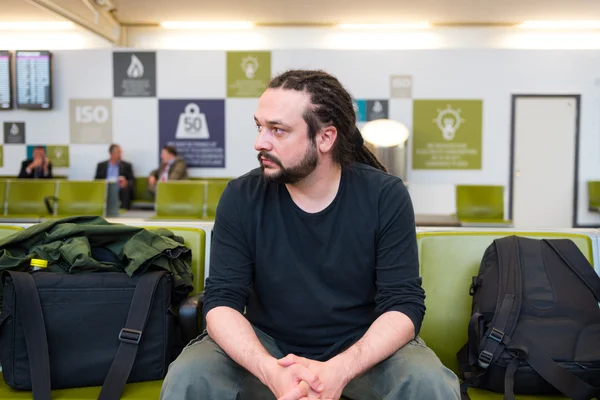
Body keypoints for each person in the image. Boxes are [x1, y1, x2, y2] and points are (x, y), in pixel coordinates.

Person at [160, 70, 461, 400]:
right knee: (190, 375)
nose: (260, 142)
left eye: (278, 130)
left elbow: (403, 305)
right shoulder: (240, 196)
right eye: (260, 127)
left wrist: (339, 370)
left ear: (326, 138)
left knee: (426, 381)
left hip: (362, 350)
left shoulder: (385, 195)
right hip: (267, 348)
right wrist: (270, 371)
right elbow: (221, 302)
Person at [94, 144, 135, 210]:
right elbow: (96, 180)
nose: (120, 155)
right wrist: (103, 182)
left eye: (120, 153)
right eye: (118, 153)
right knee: (100, 192)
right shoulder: (101, 165)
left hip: (120, 188)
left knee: (126, 190)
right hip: (106, 188)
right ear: (111, 154)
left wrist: (126, 183)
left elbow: (132, 181)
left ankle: (124, 211)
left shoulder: (127, 165)